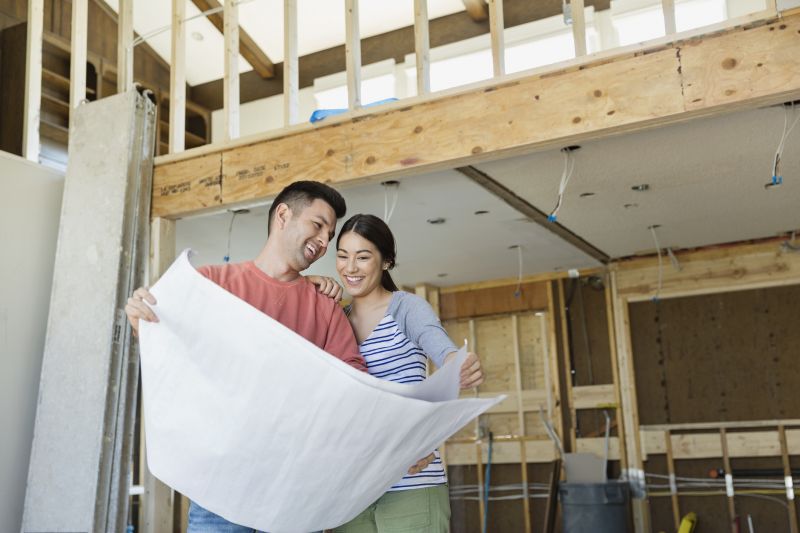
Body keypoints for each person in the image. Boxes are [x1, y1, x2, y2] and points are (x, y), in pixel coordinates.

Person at [126, 181, 372, 533]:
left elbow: (356, 388)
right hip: (220, 492)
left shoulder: (325, 308)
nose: (324, 240)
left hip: (295, 496)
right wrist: (141, 319)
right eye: (318, 225)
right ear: (284, 215)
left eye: (330, 235)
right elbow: (169, 347)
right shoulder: (211, 283)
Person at [315, 213, 484, 533]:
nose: (350, 268)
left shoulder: (406, 308)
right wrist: (307, 283)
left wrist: (458, 363)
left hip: (411, 481)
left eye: (363, 257)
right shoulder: (335, 319)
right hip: (351, 490)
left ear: (386, 262)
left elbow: (442, 349)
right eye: (342, 256)